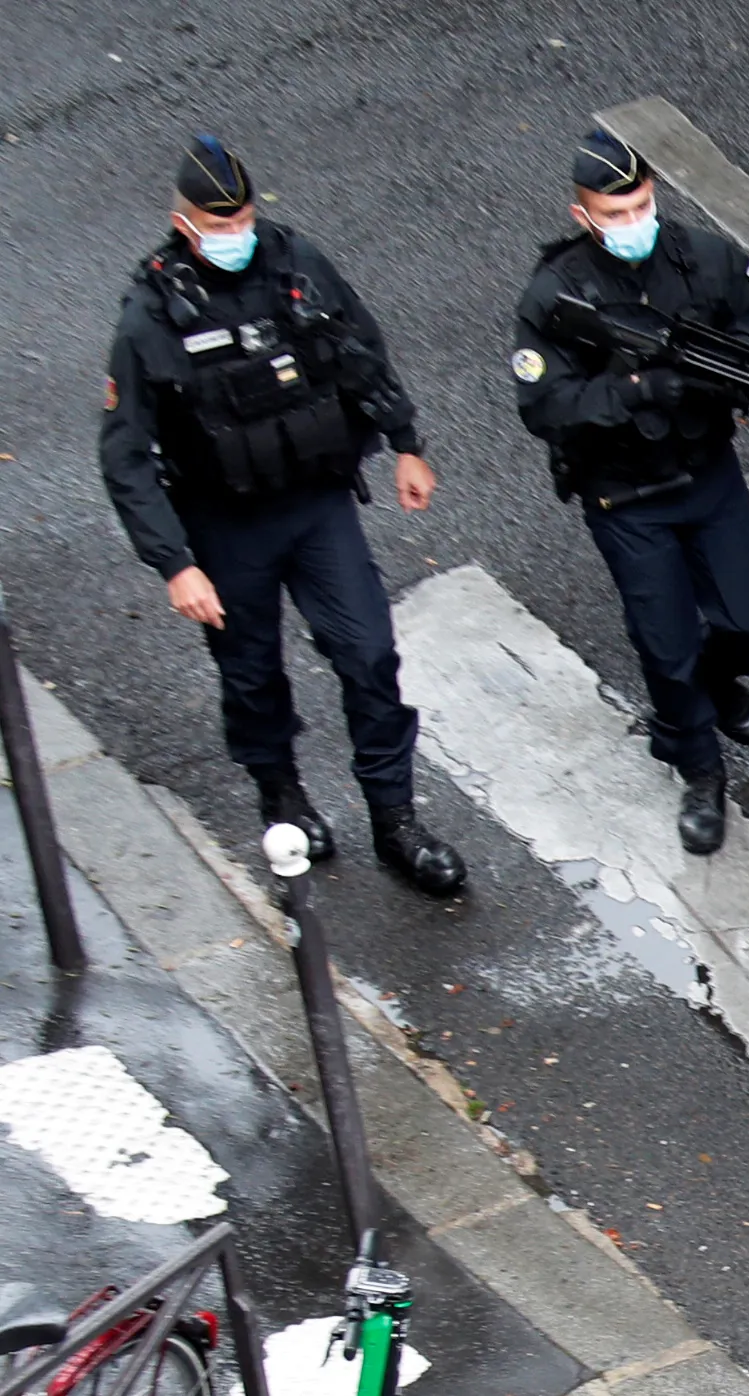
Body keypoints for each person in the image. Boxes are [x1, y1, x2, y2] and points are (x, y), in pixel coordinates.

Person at [98, 132, 467, 897]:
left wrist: (405, 442)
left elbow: (360, 348)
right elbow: (126, 452)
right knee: (253, 674)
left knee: (369, 655)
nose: (233, 236)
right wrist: (175, 561)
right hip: (226, 525)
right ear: (185, 221)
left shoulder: (297, 266)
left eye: (242, 219)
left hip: (316, 503)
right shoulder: (150, 319)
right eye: (216, 223)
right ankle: (282, 794)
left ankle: (395, 819)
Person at [512, 125, 749, 855]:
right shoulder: (557, 294)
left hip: (706, 471)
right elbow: (545, 405)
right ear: (583, 216)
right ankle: (699, 767)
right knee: (664, 644)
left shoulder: (698, 258)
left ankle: (711, 683)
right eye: (614, 213)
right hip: (625, 493)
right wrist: (639, 389)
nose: (632, 223)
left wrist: (736, 369)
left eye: (640, 205)